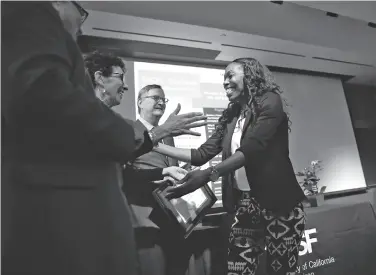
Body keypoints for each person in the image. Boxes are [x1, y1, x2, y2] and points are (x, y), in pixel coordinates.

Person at [1, 2, 206, 275]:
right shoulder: (31, 10)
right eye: (81, 12)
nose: (82, 23)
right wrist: (152, 134)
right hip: (67, 228)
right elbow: (44, 96)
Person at [153, 58, 307, 275]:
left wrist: (209, 174)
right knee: (238, 269)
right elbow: (201, 154)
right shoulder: (231, 115)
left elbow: (252, 149)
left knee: (280, 271)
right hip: (245, 204)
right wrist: (155, 144)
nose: (225, 82)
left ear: (250, 76)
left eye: (230, 75)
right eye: (223, 78)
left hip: (280, 205)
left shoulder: (270, 100)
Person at [84, 51, 188, 186]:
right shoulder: (87, 119)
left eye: (163, 99)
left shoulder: (105, 119)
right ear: (100, 78)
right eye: (120, 77)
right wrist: (163, 130)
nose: (125, 86)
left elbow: (123, 174)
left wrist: (164, 172)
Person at [123, 84, 193, 275]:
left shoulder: (169, 138)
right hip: (144, 219)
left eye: (163, 99)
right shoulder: (129, 129)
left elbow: (169, 170)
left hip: (174, 219)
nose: (161, 102)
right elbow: (127, 174)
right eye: (155, 97)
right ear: (139, 102)